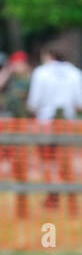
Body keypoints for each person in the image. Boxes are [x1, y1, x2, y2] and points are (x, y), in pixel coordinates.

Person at [27, 46, 82, 210]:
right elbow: (81, 105)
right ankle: (72, 200)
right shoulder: (77, 74)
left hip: (45, 123)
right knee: (67, 162)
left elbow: (33, 104)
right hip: (67, 123)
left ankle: (52, 195)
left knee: (48, 162)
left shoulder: (40, 73)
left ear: (48, 55)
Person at [0, 51, 33, 217]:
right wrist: (6, 73)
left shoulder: (29, 79)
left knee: (20, 167)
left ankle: (22, 207)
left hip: (21, 128)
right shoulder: (11, 79)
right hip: (8, 128)